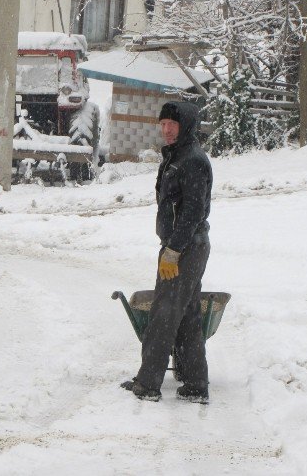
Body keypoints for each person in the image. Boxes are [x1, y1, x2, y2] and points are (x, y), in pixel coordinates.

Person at [122, 101, 213, 402]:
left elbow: (193, 211)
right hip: (181, 245)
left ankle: (148, 384)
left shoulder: (193, 160)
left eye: (172, 124)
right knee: (186, 315)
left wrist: (174, 249)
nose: (167, 130)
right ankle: (195, 382)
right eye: (162, 124)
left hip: (185, 247)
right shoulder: (176, 157)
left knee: (162, 315)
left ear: (185, 125)